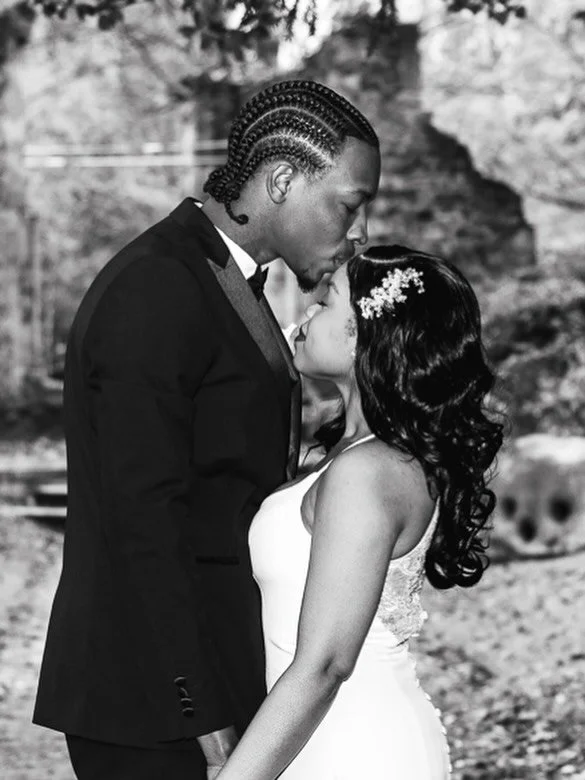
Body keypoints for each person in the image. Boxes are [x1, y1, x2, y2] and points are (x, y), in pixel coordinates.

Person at [32, 80, 381, 780]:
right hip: (155, 702)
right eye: (349, 204)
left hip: (211, 674)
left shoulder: (214, 277)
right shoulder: (157, 288)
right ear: (282, 179)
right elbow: (143, 519)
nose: (358, 231)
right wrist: (200, 712)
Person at [212, 245, 504, 780]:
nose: (304, 314)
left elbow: (326, 664)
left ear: (366, 338)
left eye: (326, 303)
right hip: (315, 741)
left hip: (353, 750)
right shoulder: (351, 455)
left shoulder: (368, 471)